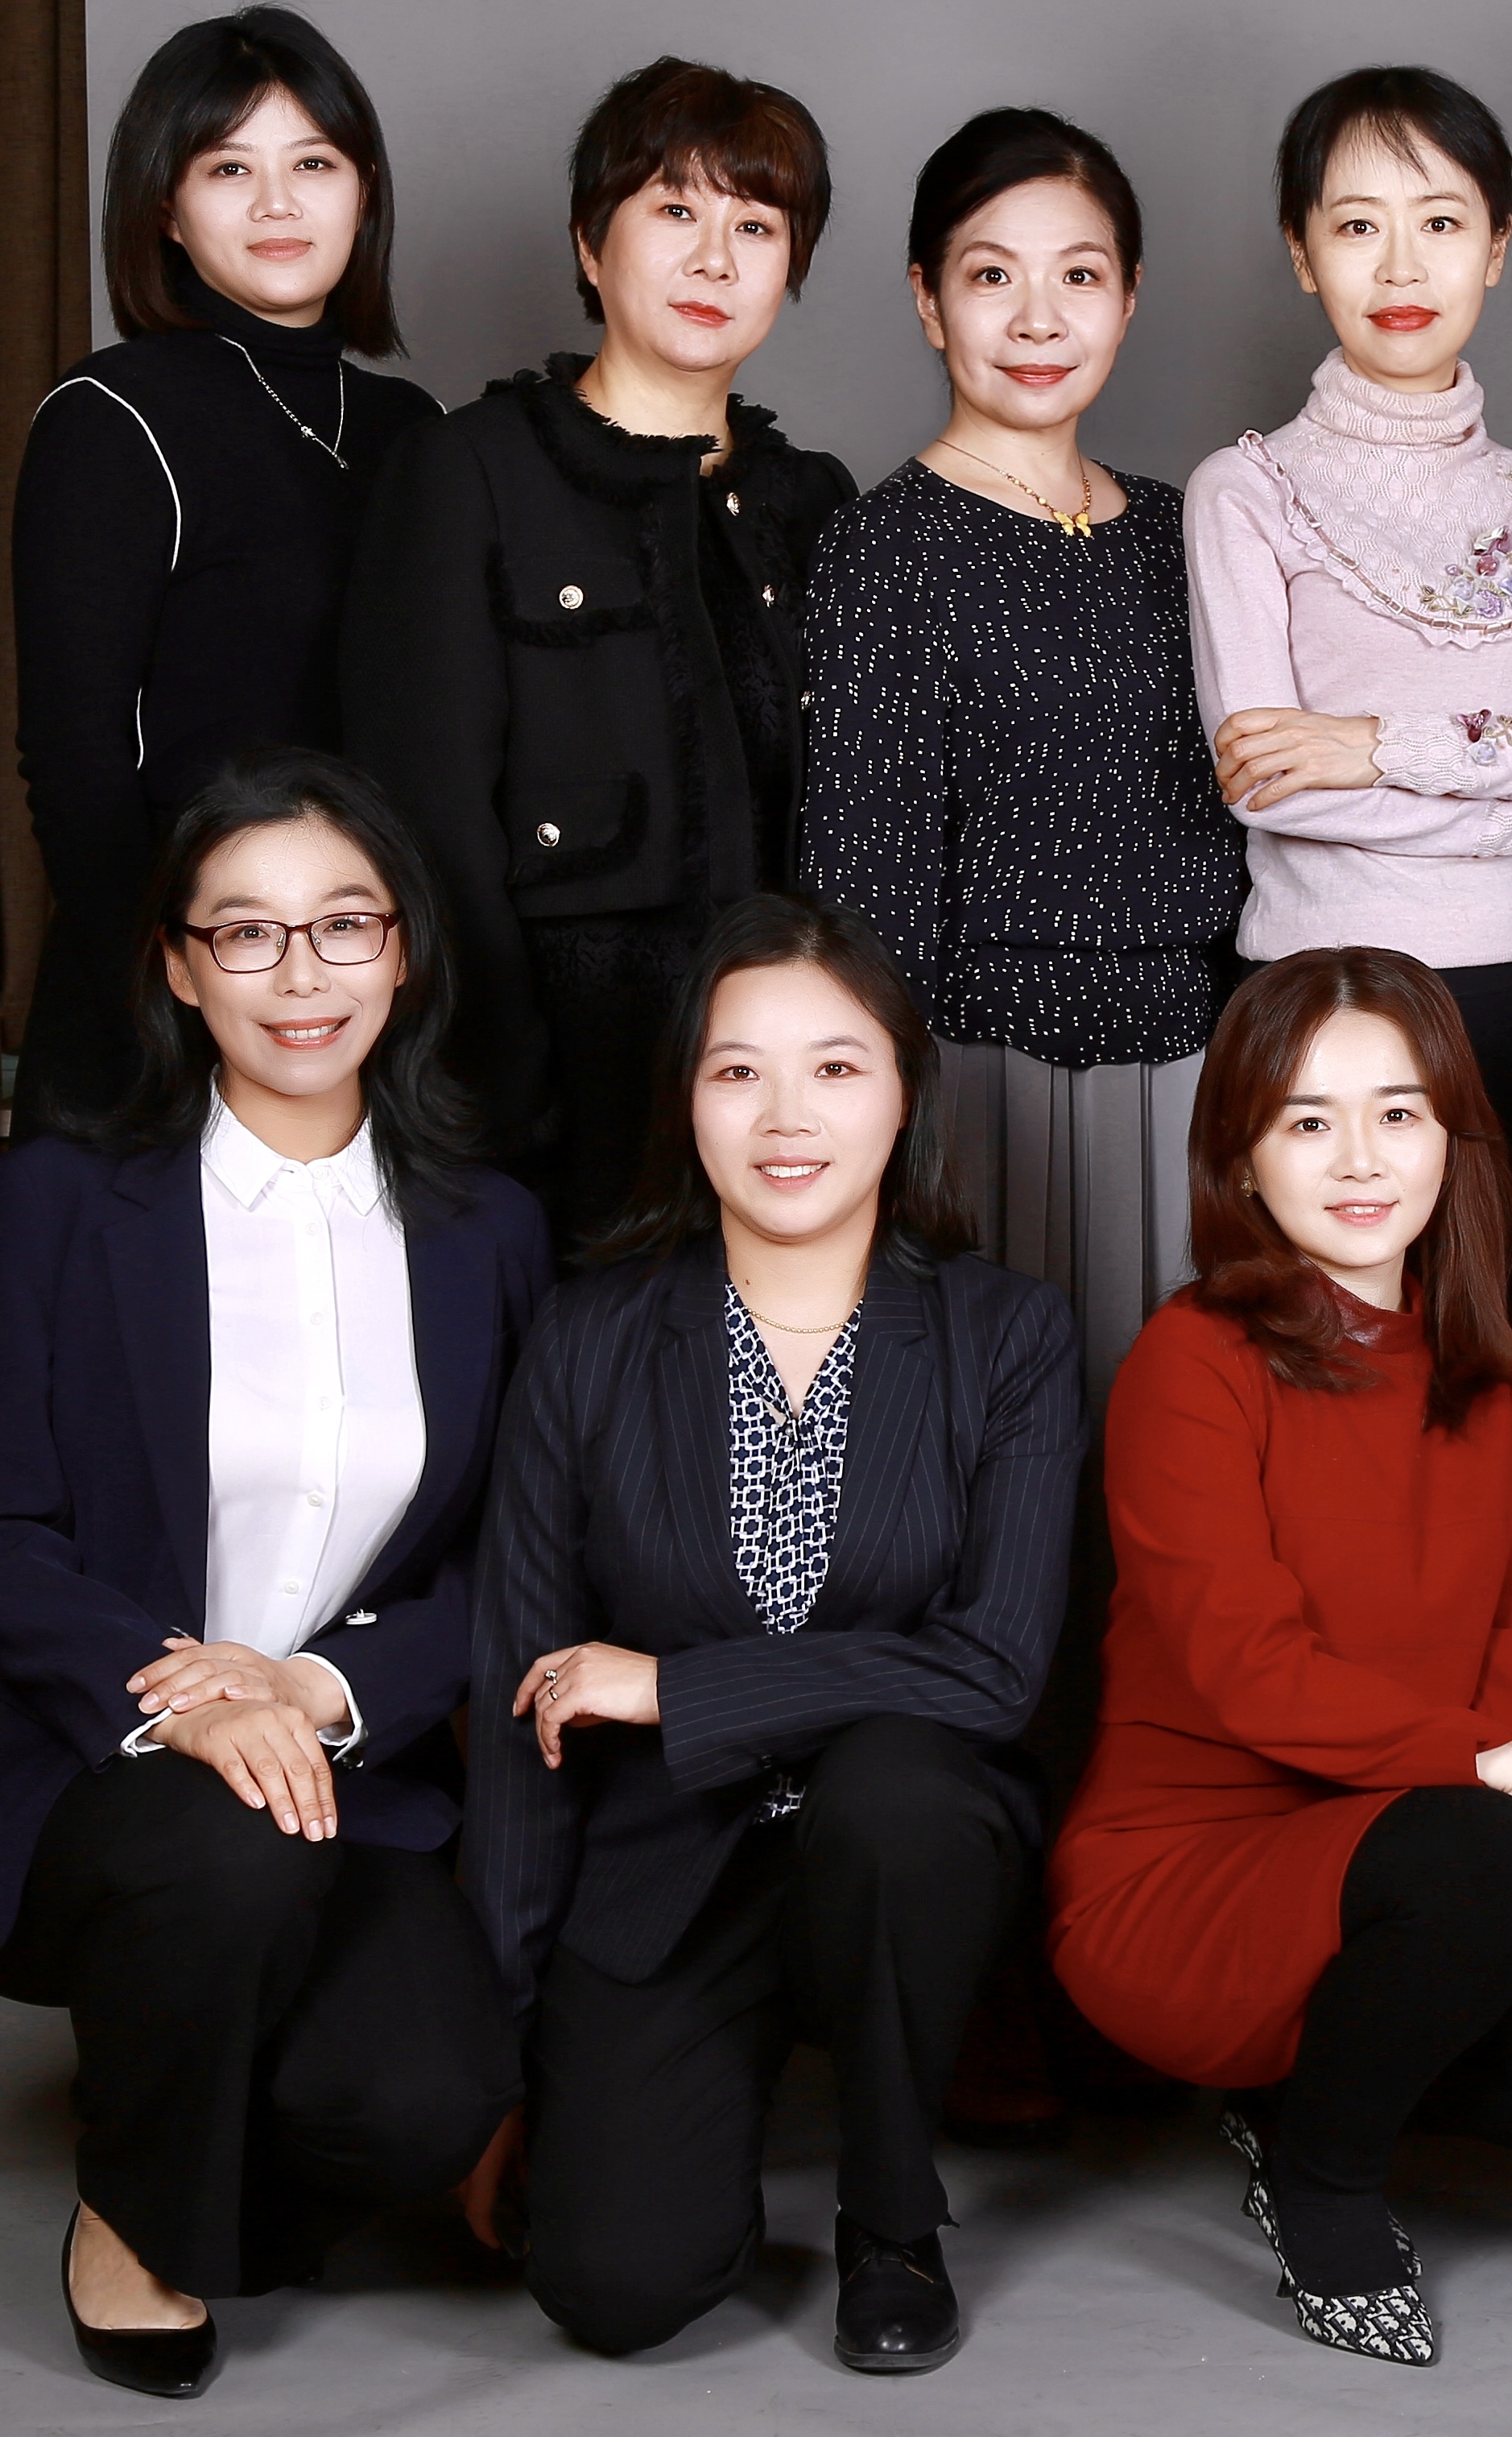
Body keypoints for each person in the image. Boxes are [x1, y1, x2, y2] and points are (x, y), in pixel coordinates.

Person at [1049, 948, 1512, 2369]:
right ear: (1242, 1157)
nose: (1360, 1160)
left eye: (1399, 1113)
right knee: (1483, 1848)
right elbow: (1251, 1670)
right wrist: (1509, 1780)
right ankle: (1324, 2187)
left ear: (1454, 1137)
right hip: (1192, 1875)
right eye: (1308, 1120)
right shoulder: (1192, 1360)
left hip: (1419, 1857)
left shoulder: (1493, 1379)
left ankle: (1299, 2097)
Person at [465, 892, 1081, 2372]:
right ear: (686, 1101)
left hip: (905, 1851)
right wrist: (503, 2054)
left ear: (905, 1093)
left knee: (897, 1789)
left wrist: (682, 1690)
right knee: (612, 2290)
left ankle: (892, 2219)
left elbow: (995, 1668)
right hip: (670, 1860)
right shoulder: (590, 1339)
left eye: (836, 1067)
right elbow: (519, 1698)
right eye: (738, 1070)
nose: (786, 1115)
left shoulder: (1007, 1335)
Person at [0, 751, 550, 2399]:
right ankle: (133, 2215)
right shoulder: (59, 1203)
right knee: (221, 1847)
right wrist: (185, 1696)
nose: (301, 974)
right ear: (181, 968)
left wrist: (317, 1687)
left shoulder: (490, 1230)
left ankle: (189, 2072)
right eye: (246, 932)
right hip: (92, 1762)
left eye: (342, 925)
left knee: (426, 2100)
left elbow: (510, 1558)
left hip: (345, 1769)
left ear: (404, 951)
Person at [1184, 68, 1512, 1422]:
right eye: (1356, 226)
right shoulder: (1246, 494)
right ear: (1302, 252)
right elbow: (1268, 782)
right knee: (1317, 1404)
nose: (1401, 267)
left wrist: (1371, 743)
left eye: (1442, 222)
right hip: (1313, 1004)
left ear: (1497, 245)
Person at [343, 57, 855, 1245]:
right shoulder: (470, 469)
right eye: (674, 210)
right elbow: (423, 822)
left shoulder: (813, 502)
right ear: (589, 242)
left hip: (783, 1116)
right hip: (549, 1106)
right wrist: (501, 1092)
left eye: (756, 225)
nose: (715, 259)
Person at [803, 108, 1241, 1402]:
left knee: (1190, 1462)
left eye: (1079, 275)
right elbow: (864, 888)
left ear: (1130, 295)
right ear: (928, 300)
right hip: (988, 1087)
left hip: (1210, 1075)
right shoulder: (884, 547)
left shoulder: (1184, 530)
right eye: (992, 275)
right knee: (1013, 1454)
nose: (1040, 319)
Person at [12, 9, 438, 1137]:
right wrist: (177, 993)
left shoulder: (415, 429)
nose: (278, 204)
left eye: (315, 164)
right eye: (229, 168)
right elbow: (77, 765)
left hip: (369, 1007)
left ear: (364, 190)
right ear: (167, 206)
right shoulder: (111, 415)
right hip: (170, 1008)